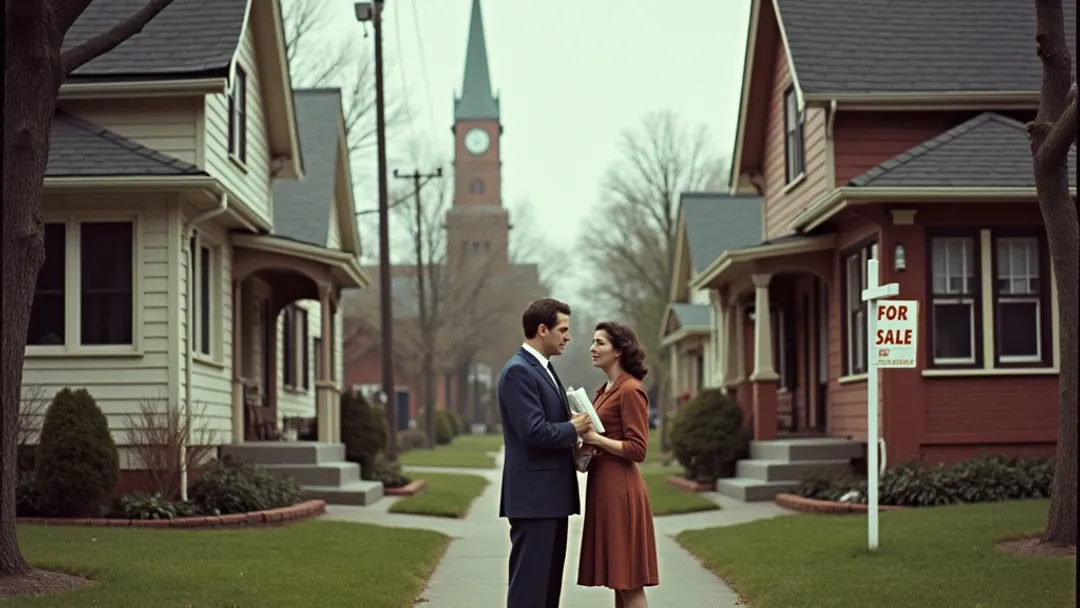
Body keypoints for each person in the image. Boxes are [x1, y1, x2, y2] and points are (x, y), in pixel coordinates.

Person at [497, 297, 594, 608]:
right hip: (533, 500)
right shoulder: (518, 371)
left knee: (548, 592)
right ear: (542, 330)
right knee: (530, 592)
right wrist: (573, 428)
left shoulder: (544, 368)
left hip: (550, 498)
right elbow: (532, 432)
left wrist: (575, 439)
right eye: (563, 330)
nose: (568, 337)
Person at [577, 321, 659, 608]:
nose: (592, 348)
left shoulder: (630, 390)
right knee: (618, 579)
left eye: (600, 343)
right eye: (593, 341)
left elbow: (638, 449)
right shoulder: (604, 390)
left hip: (621, 491)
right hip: (603, 487)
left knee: (629, 581)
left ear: (619, 351)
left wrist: (596, 440)